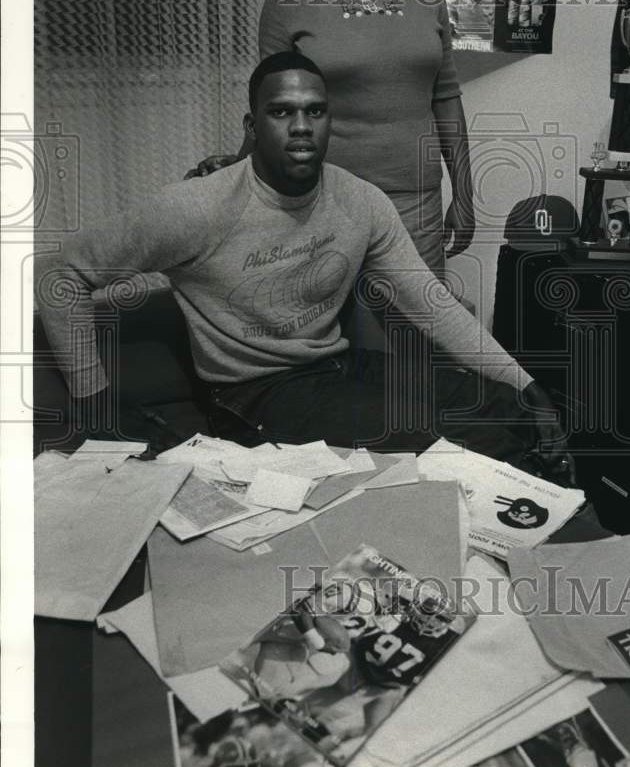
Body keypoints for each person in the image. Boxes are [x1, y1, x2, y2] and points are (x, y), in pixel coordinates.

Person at [37, 52, 570, 478]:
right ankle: (525, 545)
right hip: (253, 394)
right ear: (252, 123)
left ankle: (560, 529)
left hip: (338, 367)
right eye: (281, 111)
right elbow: (60, 275)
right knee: (440, 446)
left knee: (504, 408)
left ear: (330, 121)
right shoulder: (197, 207)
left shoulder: (360, 201)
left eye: (315, 111)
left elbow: (432, 305)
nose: (300, 126)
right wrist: (97, 406)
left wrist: (525, 385)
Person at [190, 0, 474, 276]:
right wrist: (236, 172)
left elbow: (446, 99)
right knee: (327, 342)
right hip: (323, 205)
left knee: (414, 339)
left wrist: (464, 193)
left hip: (416, 208)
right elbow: (272, 106)